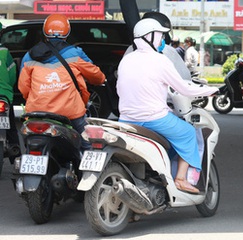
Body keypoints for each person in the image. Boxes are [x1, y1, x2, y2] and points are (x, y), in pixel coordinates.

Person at [116, 18, 217, 194]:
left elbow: (120, 88)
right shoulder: (159, 60)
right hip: (153, 118)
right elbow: (184, 87)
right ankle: (180, 179)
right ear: (150, 37)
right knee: (187, 132)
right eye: (160, 35)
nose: (162, 39)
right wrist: (210, 90)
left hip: (125, 119)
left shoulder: (127, 59)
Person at [18, 14, 105, 142]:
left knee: (30, 138)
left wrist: (36, 98)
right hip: (70, 111)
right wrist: (101, 80)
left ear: (44, 32)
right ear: (67, 32)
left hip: (37, 111)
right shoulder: (75, 53)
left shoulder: (29, 56)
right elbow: (95, 75)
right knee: (87, 142)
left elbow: (23, 87)